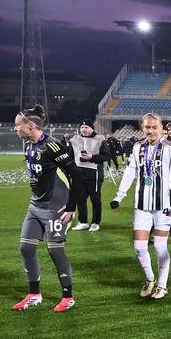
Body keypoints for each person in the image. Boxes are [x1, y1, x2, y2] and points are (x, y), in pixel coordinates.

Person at [111, 113, 171, 300]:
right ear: (143, 128)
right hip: (142, 205)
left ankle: (162, 285)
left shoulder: (170, 147)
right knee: (139, 247)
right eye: (147, 127)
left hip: (166, 205)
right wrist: (119, 196)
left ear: (161, 128)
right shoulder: (138, 147)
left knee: (160, 247)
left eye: (154, 127)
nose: (151, 131)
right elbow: (130, 172)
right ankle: (150, 279)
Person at [12, 105, 80, 312]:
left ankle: (68, 297)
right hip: (35, 206)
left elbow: (76, 176)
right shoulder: (28, 146)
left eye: (17, 125)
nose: (15, 128)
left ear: (30, 126)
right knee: (26, 248)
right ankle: (34, 294)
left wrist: (71, 207)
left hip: (55, 208)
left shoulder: (53, 146)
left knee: (55, 250)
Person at [69, 119, 110, 232]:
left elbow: (106, 156)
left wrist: (92, 157)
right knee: (80, 199)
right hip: (79, 173)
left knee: (95, 199)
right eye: (82, 127)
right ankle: (83, 222)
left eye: (86, 127)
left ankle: (95, 222)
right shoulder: (74, 139)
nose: (84, 129)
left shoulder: (100, 139)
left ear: (92, 128)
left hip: (94, 173)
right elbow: (70, 156)